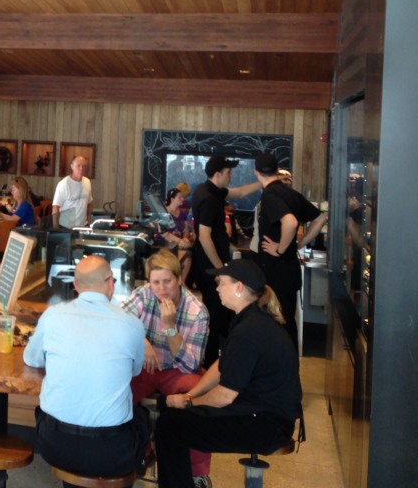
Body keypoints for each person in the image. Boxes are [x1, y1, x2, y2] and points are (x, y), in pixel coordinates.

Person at [155, 259, 301, 488]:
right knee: (172, 414)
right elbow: (220, 366)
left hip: (267, 425)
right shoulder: (250, 319)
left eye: (221, 283)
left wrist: (189, 403)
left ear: (239, 287)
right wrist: (190, 395)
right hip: (264, 415)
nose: (217, 288)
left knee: (170, 426)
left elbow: (224, 396)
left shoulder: (249, 331)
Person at [24, 255, 148, 483]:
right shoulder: (131, 323)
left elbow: (31, 359)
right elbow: (135, 371)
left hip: (54, 444)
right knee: (142, 418)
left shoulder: (53, 315)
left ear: (76, 285)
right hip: (112, 449)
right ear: (110, 283)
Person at [122, 250, 211, 486]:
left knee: (198, 398)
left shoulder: (197, 312)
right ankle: (140, 451)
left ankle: (197, 473)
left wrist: (170, 326)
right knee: (116, 390)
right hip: (147, 366)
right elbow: (119, 320)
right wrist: (142, 341)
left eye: (167, 281)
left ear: (179, 279)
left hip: (177, 369)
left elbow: (191, 364)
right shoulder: (144, 294)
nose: (161, 288)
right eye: (156, 282)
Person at [190, 155, 260, 367]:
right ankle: (212, 364)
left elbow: (240, 192)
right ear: (218, 174)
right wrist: (221, 270)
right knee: (216, 317)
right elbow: (204, 237)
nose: (231, 176)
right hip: (209, 268)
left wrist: (264, 181)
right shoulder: (209, 199)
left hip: (209, 265)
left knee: (219, 315)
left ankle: (216, 362)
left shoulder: (209, 189)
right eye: (229, 172)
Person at [254, 153, 327, 349]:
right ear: (277, 170)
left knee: (277, 321)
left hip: (276, 271)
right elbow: (321, 218)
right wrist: (299, 244)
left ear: (256, 172)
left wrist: (280, 249)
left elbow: (291, 222)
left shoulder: (270, 195)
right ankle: (289, 362)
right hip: (289, 270)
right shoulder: (290, 193)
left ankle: (283, 363)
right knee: (286, 320)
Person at [51, 155, 93, 228]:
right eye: (78, 166)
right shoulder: (63, 184)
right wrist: (55, 229)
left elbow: (90, 203)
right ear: (72, 166)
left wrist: (89, 222)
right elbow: (56, 207)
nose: (81, 168)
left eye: (84, 166)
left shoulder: (87, 181)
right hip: (66, 227)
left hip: (83, 226)